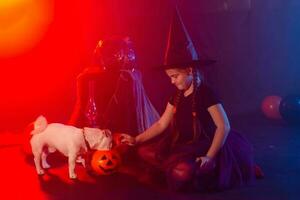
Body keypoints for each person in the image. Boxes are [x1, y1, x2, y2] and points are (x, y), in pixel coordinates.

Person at [120, 6, 257, 192]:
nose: (172, 81)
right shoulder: (176, 95)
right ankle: (175, 166)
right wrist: (137, 139)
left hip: (203, 144)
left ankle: (192, 168)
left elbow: (223, 126)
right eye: (169, 77)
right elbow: (161, 124)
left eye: (175, 76)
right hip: (181, 144)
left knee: (182, 172)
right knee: (143, 151)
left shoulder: (205, 93)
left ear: (190, 71)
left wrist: (209, 156)